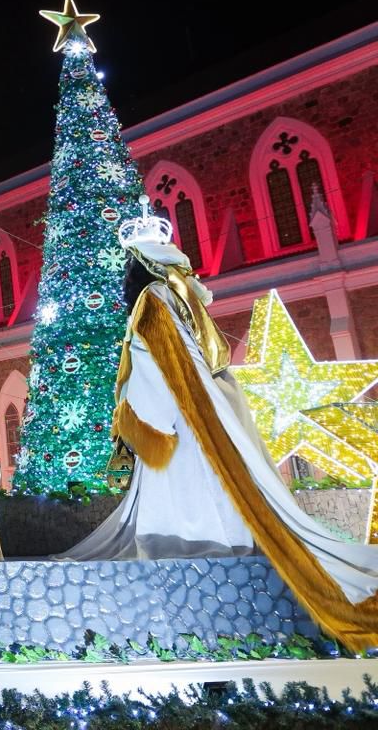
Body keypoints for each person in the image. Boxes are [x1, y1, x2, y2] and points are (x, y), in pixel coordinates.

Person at [61, 197, 377, 651]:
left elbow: (155, 365)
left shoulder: (152, 300)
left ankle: (191, 556)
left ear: (139, 268)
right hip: (209, 408)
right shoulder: (181, 293)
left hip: (182, 421)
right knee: (223, 483)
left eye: (128, 270)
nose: (125, 280)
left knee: (186, 490)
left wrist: (139, 417)